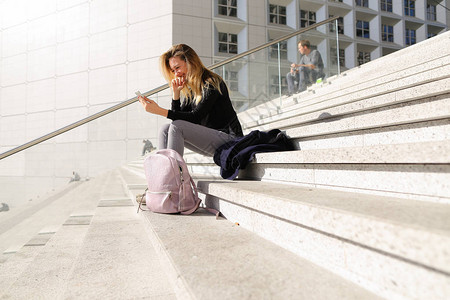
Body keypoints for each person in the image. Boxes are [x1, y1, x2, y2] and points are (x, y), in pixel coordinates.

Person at [138, 44, 243, 157]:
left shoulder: (211, 83)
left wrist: (159, 110)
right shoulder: (192, 90)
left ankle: (174, 172)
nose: (176, 74)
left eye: (177, 68)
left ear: (191, 62)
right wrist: (176, 94)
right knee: (165, 129)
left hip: (231, 140)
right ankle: (166, 171)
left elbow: (196, 116)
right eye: (173, 71)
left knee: (177, 127)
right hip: (214, 140)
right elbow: (177, 119)